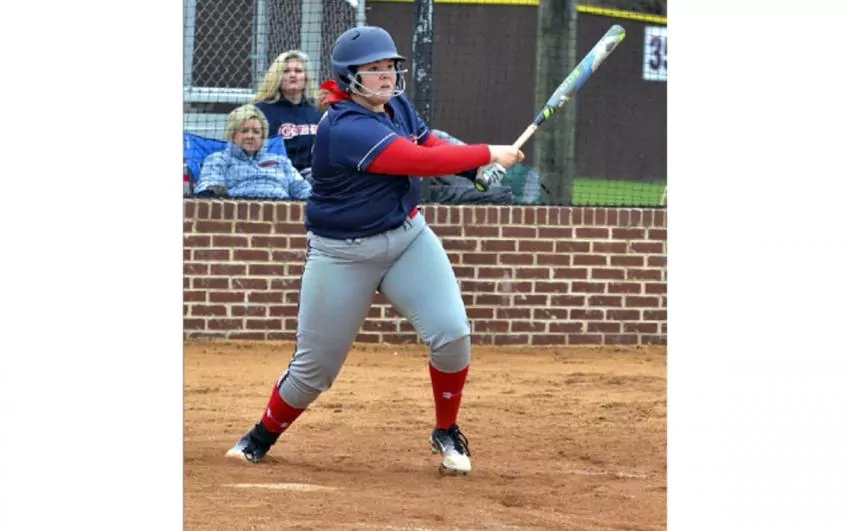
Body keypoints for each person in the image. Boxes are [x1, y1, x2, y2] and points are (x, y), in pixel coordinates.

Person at [225, 26, 524, 476]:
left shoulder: (394, 105)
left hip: (407, 238)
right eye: (373, 69)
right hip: (341, 255)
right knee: (314, 371)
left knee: (452, 335)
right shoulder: (346, 127)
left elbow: (428, 143)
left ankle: (447, 430)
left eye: (390, 67)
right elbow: (417, 161)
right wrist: (487, 153)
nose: (386, 76)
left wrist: (473, 169)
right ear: (349, 77)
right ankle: (260, 436)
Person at [194, 104, 311, 200]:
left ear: (263, 137)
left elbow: (302, 188)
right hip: (240, 213)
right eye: (244, 131)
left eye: (256, 132)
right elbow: (208, 184)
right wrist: (212, 190)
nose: (250, 136)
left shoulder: (281, 161)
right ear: (233, 134)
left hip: (282, 213)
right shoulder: (218, 159)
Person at [253, 50, 324, 178]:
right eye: (286, 71)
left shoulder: (318, 109)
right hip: (276, 175)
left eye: (298, 71)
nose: (293, 75)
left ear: (306, 78)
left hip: (315, 175)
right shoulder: (261, 110)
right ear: (277, 77)